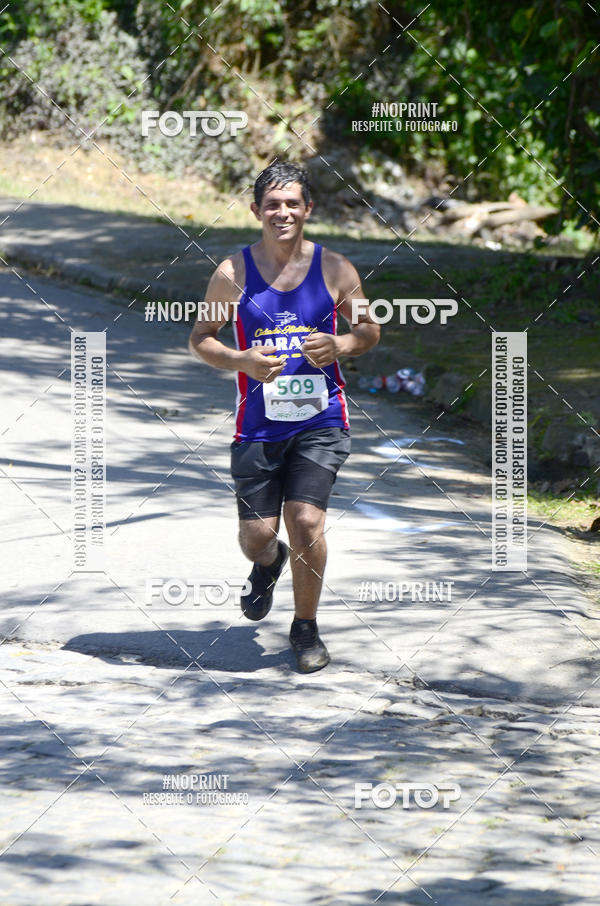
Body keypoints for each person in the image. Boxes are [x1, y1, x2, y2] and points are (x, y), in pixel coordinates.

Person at [189, 161, 379, 672]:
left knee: (306, 519)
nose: (283, 212)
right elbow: (201, 338)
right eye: (272, 204)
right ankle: (268, 565)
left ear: (308, 209)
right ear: (256, 211)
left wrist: (340, 342)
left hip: (321, 421)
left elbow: (369, 333)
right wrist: (241, 360)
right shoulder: (233, 273)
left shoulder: (336, 269)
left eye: (293, 203)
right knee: (257, 537)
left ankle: (305, 628)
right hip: (257, 425)